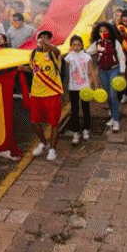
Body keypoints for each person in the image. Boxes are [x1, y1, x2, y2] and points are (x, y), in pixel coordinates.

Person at [27, 30, 63, 160]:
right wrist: (23, 68)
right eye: (41, 37)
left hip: (53, 93)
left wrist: (48, 45)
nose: (43, 40)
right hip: (36, 94)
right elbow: (34, 70)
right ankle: (43, 143)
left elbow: (57, 51)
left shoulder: (54, 54)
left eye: (46, 38)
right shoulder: (33, 54)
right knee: (34, 122)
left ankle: (52, 149)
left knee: (54, 122)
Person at [87, 22, 125, 133]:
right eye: (101, 31)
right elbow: (88, 52)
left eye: (105, 31)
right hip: (102, 71)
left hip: (114, 70)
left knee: (113, 95)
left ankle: (116, 120)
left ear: (110, 31)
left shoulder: (114, 42)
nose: (103, 33)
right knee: (108, 94)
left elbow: (121, 57)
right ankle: (113, 116)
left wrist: (122, 71)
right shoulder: (97, 43)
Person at [64, 34, 99, 144]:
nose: (76, 47)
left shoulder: (87, 57)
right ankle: (76, 132)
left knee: (86, 109)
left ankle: (86, 129)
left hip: (85, 87)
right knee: (74, 110)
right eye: (74, 45)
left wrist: (95, 85)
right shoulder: (68, 57)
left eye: (78, 44)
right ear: (71, 46)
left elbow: (91, 71)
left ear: (82, 45)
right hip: (73, 87)